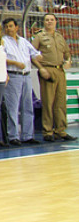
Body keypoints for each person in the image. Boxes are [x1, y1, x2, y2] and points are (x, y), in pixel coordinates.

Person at [32, 14, 76, 142]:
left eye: (52, 19)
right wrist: (41, 68)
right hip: (48, 70)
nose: (49, 22)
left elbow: (67, 53)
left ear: (56, 22)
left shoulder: (60, 36)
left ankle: (60, 130)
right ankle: (48, 131)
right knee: (48, 102)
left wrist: (68, 61)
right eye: (47, 20)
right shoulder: (40, 36)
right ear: (44, 22)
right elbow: (32, 54)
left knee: (60, 102)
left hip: (60, 71)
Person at [2, 18, 42, 146]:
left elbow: (35, 54)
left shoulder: (24, 41)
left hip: (26, 75)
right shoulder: (3, 42)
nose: (9, 29)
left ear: (17, 27)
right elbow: (1, 58)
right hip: (13, 75)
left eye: (11, 26)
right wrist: (15, 63)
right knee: (12, 107)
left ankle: (27, 135)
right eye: (7, 27)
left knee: (28, 105)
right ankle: (13, 135)